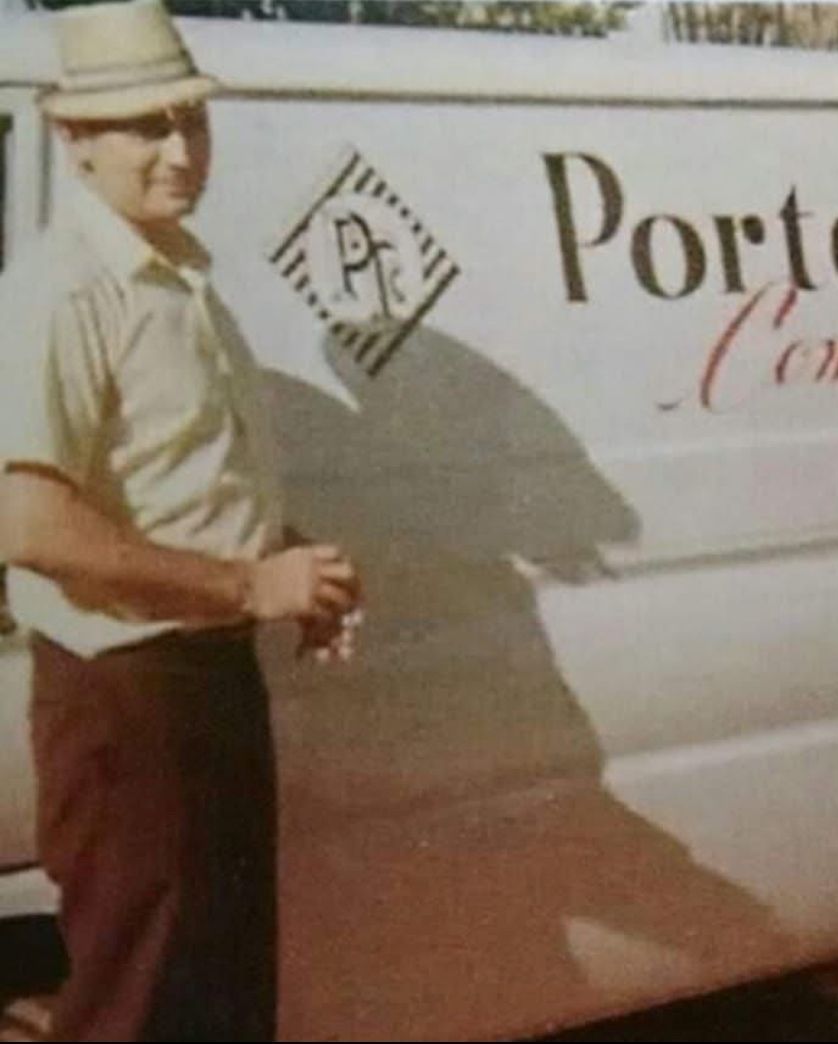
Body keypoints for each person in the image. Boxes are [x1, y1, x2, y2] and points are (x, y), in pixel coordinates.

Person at [0, 1, 362, 1039]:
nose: (179, 150)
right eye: (146, 126)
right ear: (74, 141)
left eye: (191, 121)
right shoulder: (64, 292)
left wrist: (293, 567)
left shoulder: (176, 276)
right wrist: (249, 586)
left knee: (217, 1002)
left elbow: (171, 483)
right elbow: (29, 522)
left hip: (199, 681)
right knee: (143, 1010)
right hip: (127, 698)